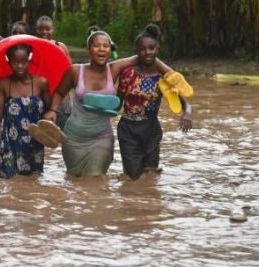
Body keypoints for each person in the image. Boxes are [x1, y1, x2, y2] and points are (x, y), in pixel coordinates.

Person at [42, 29, 171, 177]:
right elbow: (59, 92)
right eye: (97, 45)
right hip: (74, 138)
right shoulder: (75, 71)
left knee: (95, 178)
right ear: (89, 49)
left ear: (110, 50)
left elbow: (146, 57)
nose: (102, 49)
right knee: (74, 178)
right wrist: (52, 110)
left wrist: (173, 75)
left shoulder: (114, 68)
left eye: (106, 45)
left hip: (102, 137)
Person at [117, 24, 193, 180]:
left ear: (157, 49)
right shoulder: (127, 73)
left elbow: (185, 102)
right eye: (142, 49)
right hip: (128, 130)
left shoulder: (163, 78)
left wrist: (187, 114)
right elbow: (117, 102)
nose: (147, 52)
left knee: (150, 175)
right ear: (136, 52)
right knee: (133, 178)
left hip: (151, 129)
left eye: (151, 48)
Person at [0, 44, 50, 178]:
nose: (19, 66)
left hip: (34, 144)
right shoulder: (4, 83)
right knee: (8, 183)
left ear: (29, 61)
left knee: (33, 183)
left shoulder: (41, 83)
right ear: (8, 61)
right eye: (15, 62)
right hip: (10, 143)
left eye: (23, 62)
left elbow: (48, 114)